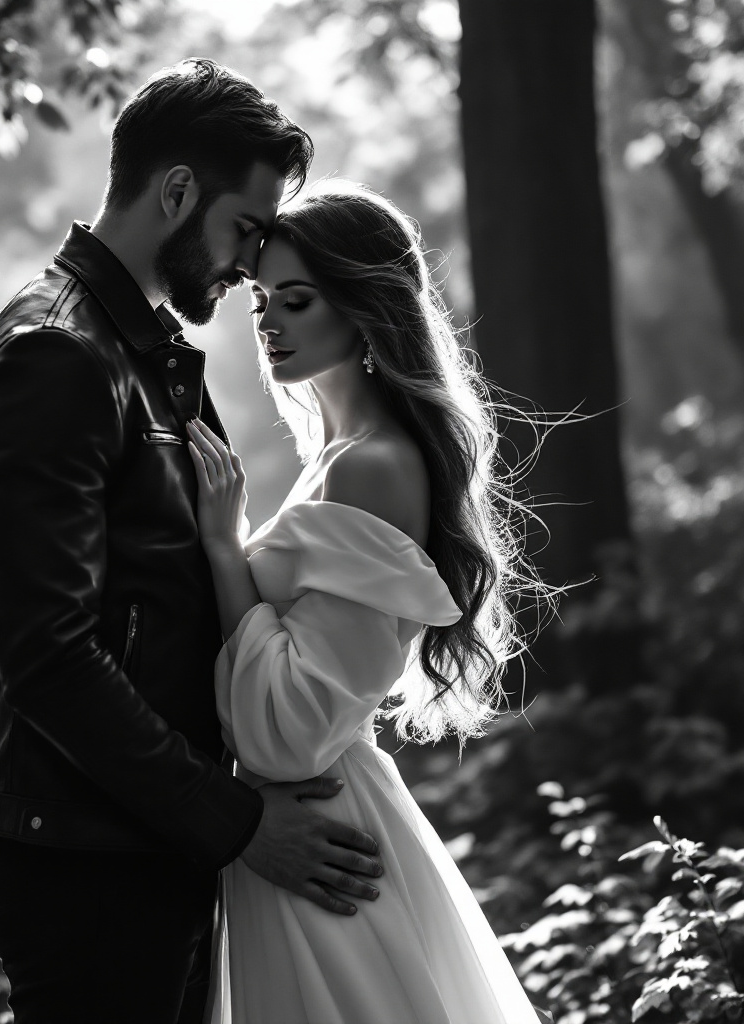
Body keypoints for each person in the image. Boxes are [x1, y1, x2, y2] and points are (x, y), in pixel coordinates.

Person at [0, 65, 383, 1024]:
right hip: (86, 865)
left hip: (146, 842)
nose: (246, 264)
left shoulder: (141, 355)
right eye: (244, 229)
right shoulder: (55, 356)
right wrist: (234, 823)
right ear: (177, 191)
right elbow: (48, 655)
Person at [188, 180, 549, 1023]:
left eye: (298, 300)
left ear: (364, 307)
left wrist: (219, 547)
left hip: (320, 835)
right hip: (304, 829)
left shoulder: (372, 465)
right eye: (261, 301)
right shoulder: (337, 455)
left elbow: (293, 728)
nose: (269, 321)